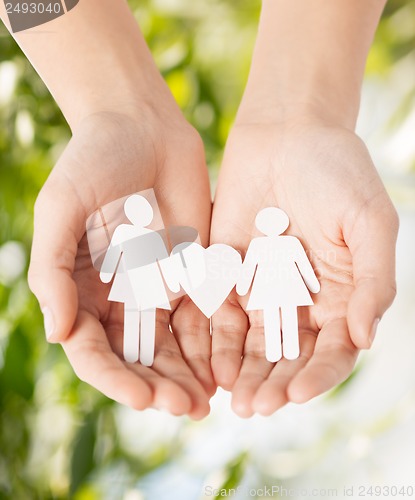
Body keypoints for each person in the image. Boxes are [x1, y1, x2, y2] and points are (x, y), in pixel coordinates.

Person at [0, 0, 398, 418]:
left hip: (205, 287)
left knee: (267, 323)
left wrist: (305, 110)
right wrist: (115, 108)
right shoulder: (137, 237)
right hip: (146, 286)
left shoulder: (145, 237)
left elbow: (283, 265)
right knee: (143, 322)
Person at [237, 207, 320, 363]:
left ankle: (287, 349)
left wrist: (242, 286)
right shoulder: (284, 242)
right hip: (282, 284)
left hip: (273, 284)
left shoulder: (264, 243)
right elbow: (249, 266)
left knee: (277, 315)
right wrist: (313, 284)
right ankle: (280, 349)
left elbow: (303, 263)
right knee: (278, 315)